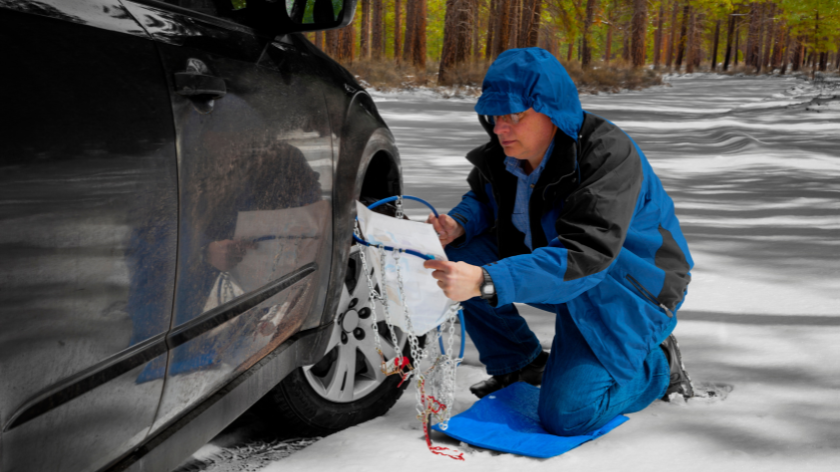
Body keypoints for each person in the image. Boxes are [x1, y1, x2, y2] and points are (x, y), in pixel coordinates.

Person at [423, 48, 695, 437]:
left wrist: (487, 280)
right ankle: (520, 364)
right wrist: (459, 224)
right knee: (456, 257)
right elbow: (485, 200)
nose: (501, 128)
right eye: (496, 116)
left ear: (553, 111)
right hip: (562, 272)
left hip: (628, 285)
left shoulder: (606, 155)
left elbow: (586, 254)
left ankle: (658, 366)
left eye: (515, 116)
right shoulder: (507, 154)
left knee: (569, 415)